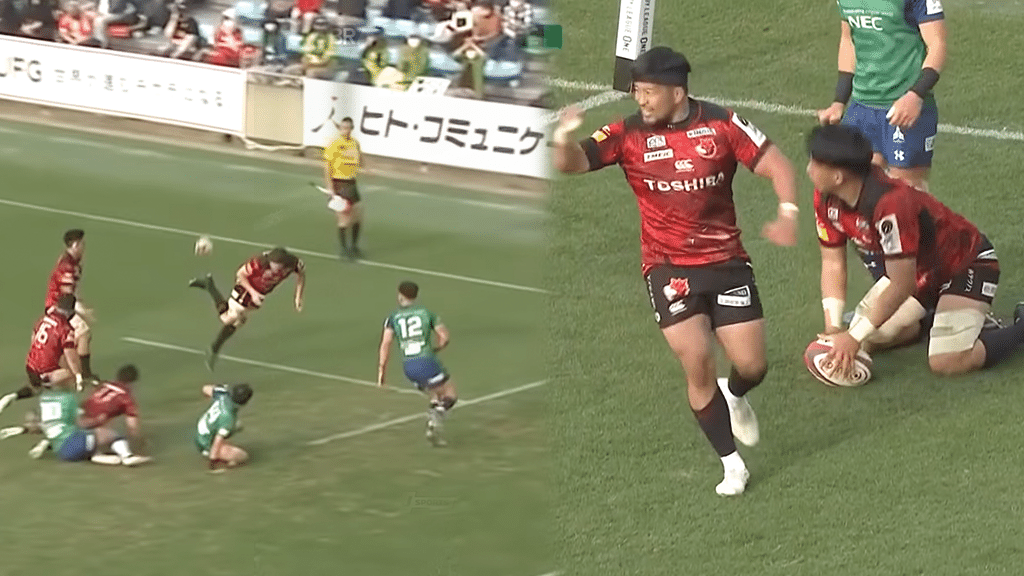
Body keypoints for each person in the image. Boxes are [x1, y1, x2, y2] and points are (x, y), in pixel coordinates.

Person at [552, 46, 800, 496]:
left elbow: (777, 163)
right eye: (636, 93)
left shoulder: (722, 124)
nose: (640, 101)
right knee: (697, 360)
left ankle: (736, 392)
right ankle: (731, 465)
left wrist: (787, 211)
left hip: (726, 262)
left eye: (647, 93)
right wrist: (564, 139)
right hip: (667, 269)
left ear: (677, 91)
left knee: (752, 364)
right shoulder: (626, 134)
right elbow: (572, 163)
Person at [807, 124, 1024, 378]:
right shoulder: (826, 198)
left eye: (815, 161)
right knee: (868, 336)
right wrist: (834, 328)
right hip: (919, 273)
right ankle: (936, 318)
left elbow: (901, 284)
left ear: (838, 176)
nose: (809, 168)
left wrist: (852, 336)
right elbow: (833, 262)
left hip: (964, 266)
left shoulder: (890, 204)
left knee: (947, 361)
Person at [816, 0, 946, 193]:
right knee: (859, 188)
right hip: (861, 107)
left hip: (904, 108)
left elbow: (938, 44)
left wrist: (915, 95)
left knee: (907, 193)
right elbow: (848, 40)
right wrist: (839, 101)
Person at [188, 247, 305, 370]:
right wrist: (252, 293)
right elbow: (241, 274)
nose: (274, 268)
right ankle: (209, 286)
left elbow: (302, 275)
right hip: (246, 287)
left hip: (259, 294)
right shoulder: (259, 263)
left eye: (277, 265)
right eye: (272, 264)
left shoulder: (293, 264)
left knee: (238, 322)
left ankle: (214, 348)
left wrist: (298, 296)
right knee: (228, 319)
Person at [1, 364, 148, 457]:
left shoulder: (105, 384)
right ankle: (124, 455)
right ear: (133, 382)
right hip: (84, 423)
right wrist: (137, 442)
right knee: (104, 435)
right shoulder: (126, 398)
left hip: (76, 413)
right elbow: (132, 428)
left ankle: (30, 431)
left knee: (56, 425)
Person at [378, 281, 457, 446]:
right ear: (416, 296)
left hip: (409, 367)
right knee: (450, 394)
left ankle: (432, 429)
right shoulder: (427, 313)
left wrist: (382, 372)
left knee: (434, 395)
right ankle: (436, 417)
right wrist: (438, 348)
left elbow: (385, 344)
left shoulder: (392, 318)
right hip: (427, 361)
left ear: (400, 296)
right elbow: (445, 337)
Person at [0, 294, 87, 416]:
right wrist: (78, 375)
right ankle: (68, 408)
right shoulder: (66, 329)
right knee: (69, 376)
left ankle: (13, 396)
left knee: (37, 388)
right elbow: (71, 356)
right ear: (70, 311)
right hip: (45, 371)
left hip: (31, 365)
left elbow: (33, 336)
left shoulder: (44, 319)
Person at [34, 380, 150, 465]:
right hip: (72, 445)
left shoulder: (58, 408)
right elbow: (80, 423)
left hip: (62, 449)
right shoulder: (70, 402)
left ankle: (96, 455)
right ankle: (127, 457)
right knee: (112, 435)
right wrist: (97, 420)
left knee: (90, 435)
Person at [43, 229, 98, 382]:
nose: (83, 248)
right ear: (75, 245)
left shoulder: (69, 262)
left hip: (61, 306)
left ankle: (75, 371)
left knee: (75, 337)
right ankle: (84, 374)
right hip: (58, 308)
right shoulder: (68, 266)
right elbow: (67, 295)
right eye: (81, 244)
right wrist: (82, 311)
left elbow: (72, 291)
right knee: (84, 334)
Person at [322, 117, 366, 260]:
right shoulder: (334, 144)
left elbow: (360, 161)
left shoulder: (354, 143)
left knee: (358, 215)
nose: (345, 130)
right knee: (344, 218)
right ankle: (344, 249)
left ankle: (354, 246)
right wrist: (330, 187)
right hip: (339, 182)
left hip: (351, 183)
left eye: (347, 128)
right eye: (342, 127)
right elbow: (327, 167)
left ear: (351, 129)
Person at [195, 383, 253, 472]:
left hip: (201, 430)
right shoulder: (228, 419)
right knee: (243, 456)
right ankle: (225, 465)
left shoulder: (223, 394)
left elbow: (205, 388)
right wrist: (212, 464)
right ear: (245, 402)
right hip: (205, 444)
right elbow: (217, 442)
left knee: (237, 426)